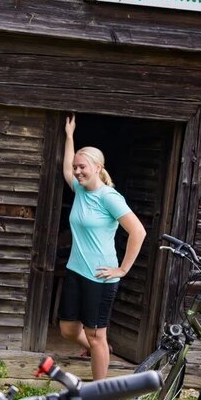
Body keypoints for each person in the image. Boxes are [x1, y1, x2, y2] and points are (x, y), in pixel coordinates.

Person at [59, 114, 146, 383]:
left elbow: (138, 231)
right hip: (75, 270)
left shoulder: (109, 197)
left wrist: (123, 269)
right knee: (68, 329)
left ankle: (98, 392)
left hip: (100, 276)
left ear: (97, 167)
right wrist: (70, 136)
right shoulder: (80, 190)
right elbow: (66, 169)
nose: (77, 171)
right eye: (76, 167)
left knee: (95, 335)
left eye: (83, 167)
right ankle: (101, 349)